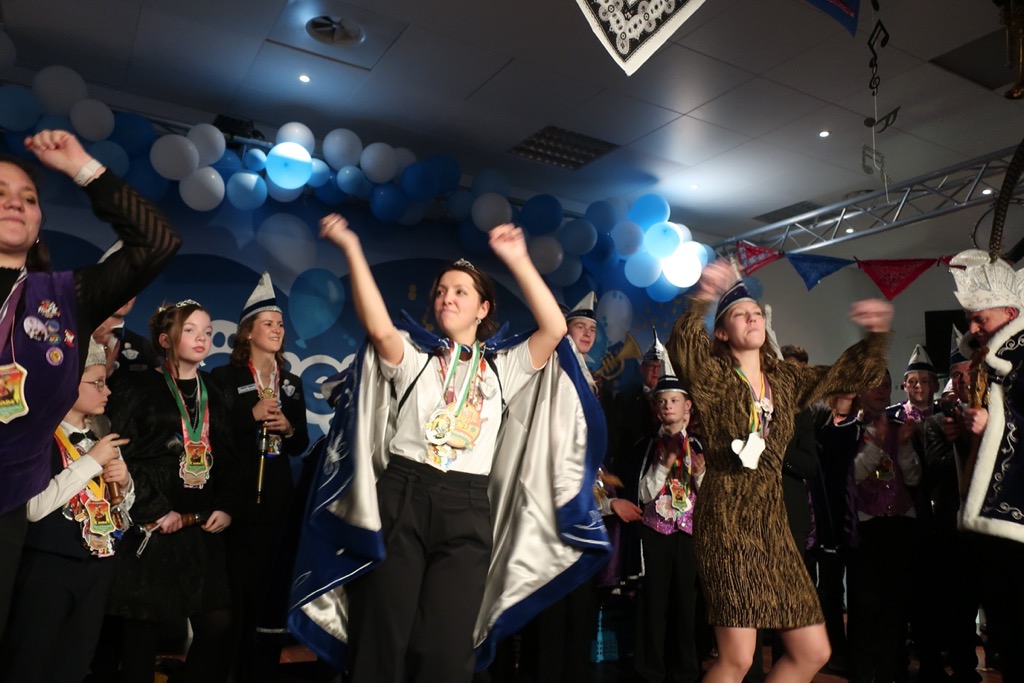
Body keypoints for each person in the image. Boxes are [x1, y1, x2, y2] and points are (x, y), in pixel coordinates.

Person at [289, 214, 609, 683]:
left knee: (445, 648)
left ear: (483, 308)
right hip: (403, 495)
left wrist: (518, 258)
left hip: (467, 505)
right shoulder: (415, 357)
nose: (447, 298)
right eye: (441, 291)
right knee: (382, 639)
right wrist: (352, 249)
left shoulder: (503, 367)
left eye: (460, 291)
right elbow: (379, 329)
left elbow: (554, 328)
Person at [666, 260, 892, 683]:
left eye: (755, 312)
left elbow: (853, 374)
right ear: (722, 332)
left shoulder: (785, 380)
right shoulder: (714, 377)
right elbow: (683, 347)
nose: (752, 317)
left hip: (773, 524)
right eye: (739, 314)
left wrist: (876, 334)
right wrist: (703, 296)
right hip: (728, 519)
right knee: (737, 659)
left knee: (813, 650)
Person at [0, 129, 180, 638]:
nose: (15, 203)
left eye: (28, 198)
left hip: (6, 503)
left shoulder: (62, 298)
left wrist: (82, 165)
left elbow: (157, 241)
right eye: (0, 194)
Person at [106, 301, 237, 683]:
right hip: (153, 528)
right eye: (190, 330)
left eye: (207, 331)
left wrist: (226, 505)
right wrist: (155, 509)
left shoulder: (216, 390)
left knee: (217, 624)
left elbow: (230, 456)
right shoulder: (137, 387)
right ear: (165, 339)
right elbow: (118, 454)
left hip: (201, 527)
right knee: (142, 634)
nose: (202, 338)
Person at [0, 338, 133, 683]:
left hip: (98, 566)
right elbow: (34, 508)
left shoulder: (103, 434)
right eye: (97, 383)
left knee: (74, 664)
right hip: (48, 564)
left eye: (106, 382)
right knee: (30, 662)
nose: (107, 391)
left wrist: (125, 485)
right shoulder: (38, 436)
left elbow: (120, 514)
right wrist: (90, 463)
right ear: (68, 385)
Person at [212, 272, 309, 683]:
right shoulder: (224, 378)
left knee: (265, 606)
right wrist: (248, 415)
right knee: (231, 605)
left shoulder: (292, 383)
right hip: (234, 506)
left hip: (275, 506)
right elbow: (212, 434)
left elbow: (300, 444)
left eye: (281, 324)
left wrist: (288, 428)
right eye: (268, 323)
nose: (277, 330)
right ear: (247, 332)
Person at [948, 249, 1024, 683]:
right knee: (1007, 633)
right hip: (989, 523)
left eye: (981, 319)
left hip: (1017, 520)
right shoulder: (988, 365)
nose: (973, 329)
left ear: (1010, 313)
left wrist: (994, 423)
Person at [633, 341, 704, 683]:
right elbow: (643, 494)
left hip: (688, 531)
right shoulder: (649, 444)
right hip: (656, 530)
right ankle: (651, 670)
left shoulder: (699, 445)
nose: (667, 406)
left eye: (674, 400)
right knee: (654, 602)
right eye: (662, 401)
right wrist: (663, 465)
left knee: (687, 603)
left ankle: (687, 669)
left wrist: (700, 473)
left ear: (687, 405)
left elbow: (709, 496)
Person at [846, 370, 923, 683]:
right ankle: (863, 672)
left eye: (886, 385)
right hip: (866, 525)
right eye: (874, 385)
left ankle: (892, 671)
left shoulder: (899, 427)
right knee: (865, 606)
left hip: (901, 523)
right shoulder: (849, 428)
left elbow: (914, 478)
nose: (881, 391)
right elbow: (851, 476)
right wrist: (878, 444)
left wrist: (902, 445)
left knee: (896, 605)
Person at [919, 328, 983, 683]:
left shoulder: (995, 419)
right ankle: (957, 668)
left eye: (967, 374)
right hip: (950, 526)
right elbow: (938, 468)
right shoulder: (936, 422)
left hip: (988, 528)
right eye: (955, 376)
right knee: (953, 603)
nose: (962, 381)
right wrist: (960, 440)